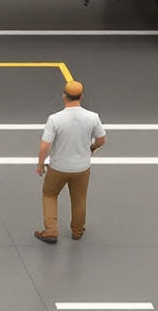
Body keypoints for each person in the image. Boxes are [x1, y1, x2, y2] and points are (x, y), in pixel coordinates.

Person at [35, 79, 106, 244]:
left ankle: (51, 230)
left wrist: (40, 164)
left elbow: (45, 146)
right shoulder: (92, 117)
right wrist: (91, 148)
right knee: (79, 199)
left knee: (50, 194)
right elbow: (101, 139)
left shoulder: (55, 119)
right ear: (81, 96)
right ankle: (77, 230)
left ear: (64, 96)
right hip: (82, 168)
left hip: (58, 167)